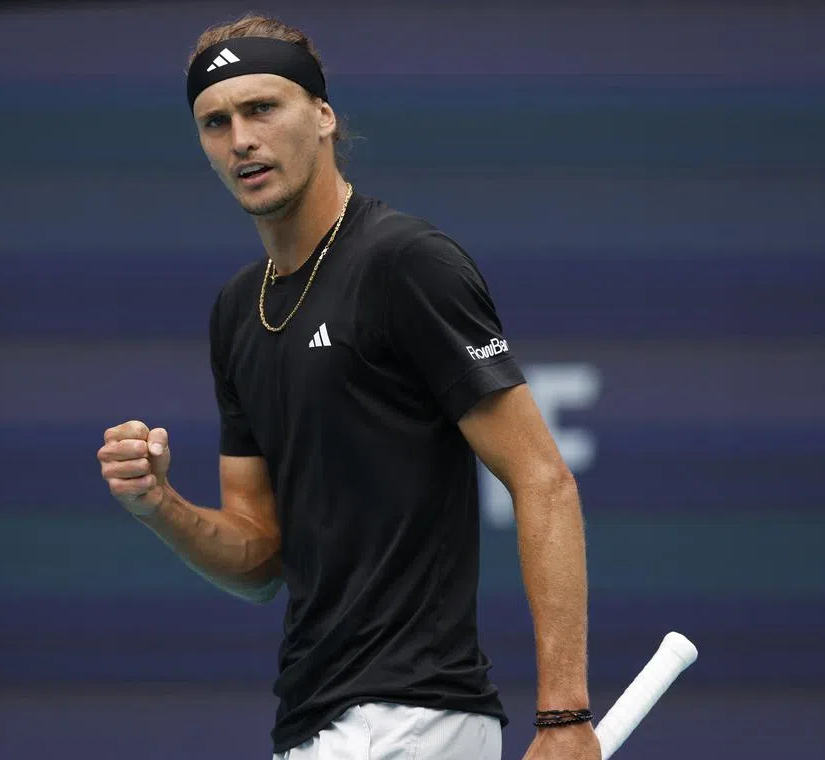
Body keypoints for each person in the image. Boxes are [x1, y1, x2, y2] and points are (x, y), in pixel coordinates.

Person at [96, 13, 599, 760]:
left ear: (324, 117)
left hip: (418, 716)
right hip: (311, 721)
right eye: (215, 121)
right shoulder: (238, 312)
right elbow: (262, 555)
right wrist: (159, 506)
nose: (240, 139)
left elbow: (543, 479)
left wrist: (563, 718)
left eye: (262, 108)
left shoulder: (405, 264)